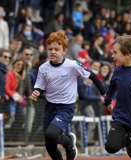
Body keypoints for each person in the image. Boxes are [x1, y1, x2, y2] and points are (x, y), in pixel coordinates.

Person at [30, 30, 106, 160]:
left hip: (66, 107)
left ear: (64, 51)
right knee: (49, 144)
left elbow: (92, 75)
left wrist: (104, 93)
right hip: (50, 107)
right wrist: (37, 91)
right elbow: (40, 86)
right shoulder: (43, 68)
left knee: (52, 134)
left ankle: (69, 141)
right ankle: (67, 146)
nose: (53, 51)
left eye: (57, 49)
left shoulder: (72, 65)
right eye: (50, 49)